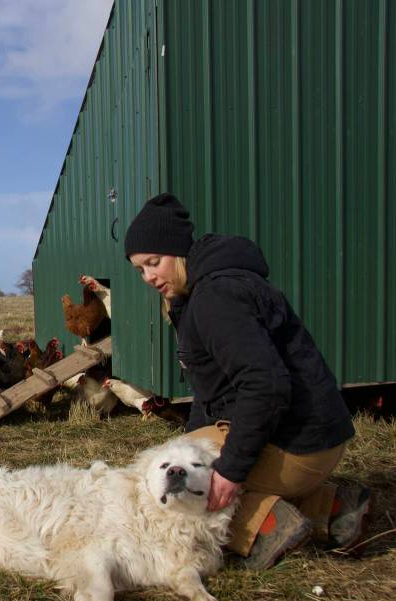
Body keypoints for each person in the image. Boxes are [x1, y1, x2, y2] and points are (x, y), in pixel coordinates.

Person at [123, 193, 371, 570]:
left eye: (154, 263)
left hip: (299, 445)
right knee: (179, 453)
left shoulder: (215, 300)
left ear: (178, 251)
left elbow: (265, 384)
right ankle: (333, 508)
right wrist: (190, 439)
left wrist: (230, 470)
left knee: (175, 484)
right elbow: (213, 394)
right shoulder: (212, 288)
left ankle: (265, 527)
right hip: (318, 439)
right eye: (140, 269)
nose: (149, 277)